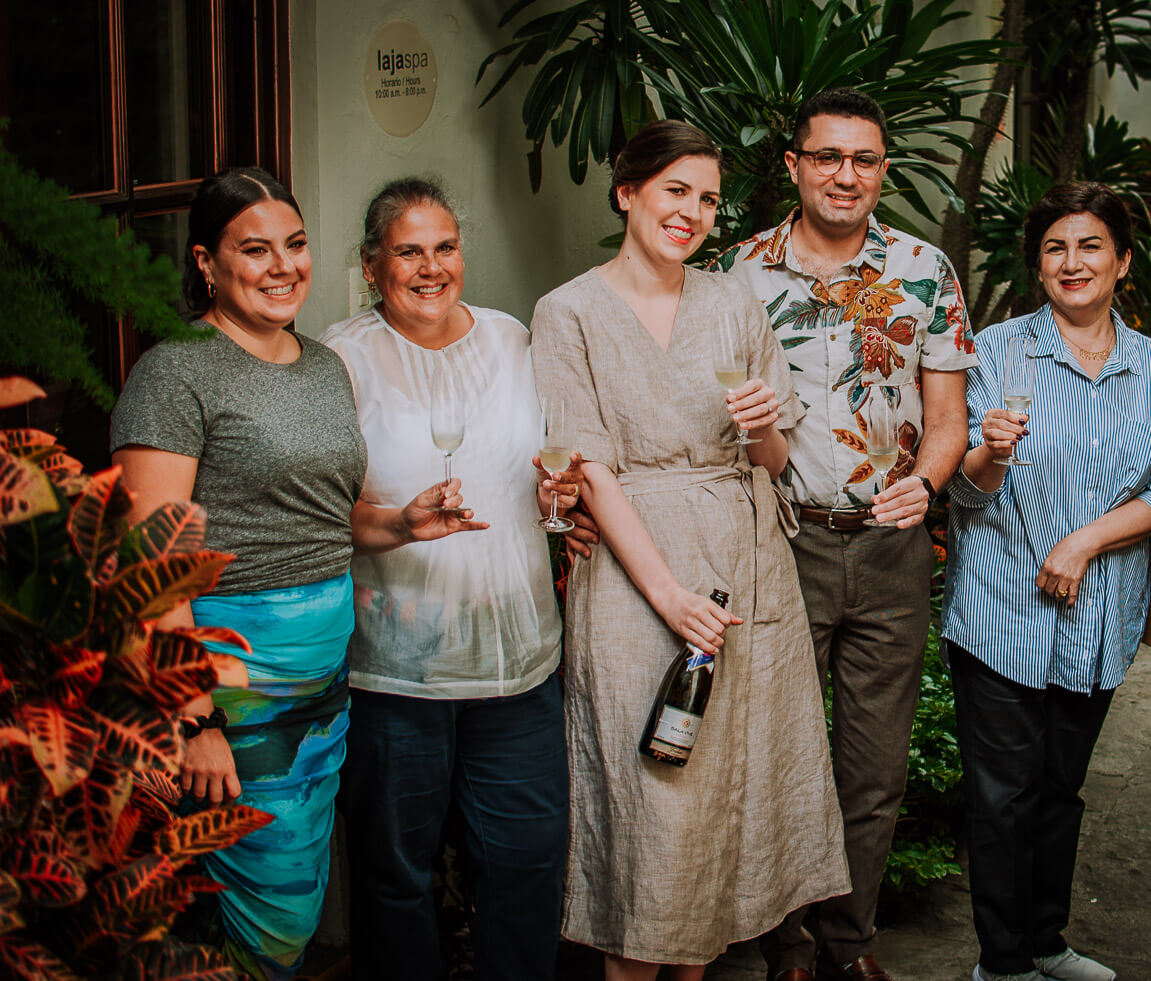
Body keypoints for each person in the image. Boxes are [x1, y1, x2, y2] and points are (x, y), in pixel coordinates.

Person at [110, 167, 475, 980]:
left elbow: (319, 520)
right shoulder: (176, 373)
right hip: (228, 699)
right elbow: (151, 563)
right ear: (207, 263)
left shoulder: (318, 364)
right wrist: (196, 720)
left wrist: (400, 523)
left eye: (296, 245)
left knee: (293, 907)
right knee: (253, 916)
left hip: (321, 695)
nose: (282, 266)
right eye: (254, 250)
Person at [530, 120, 849, 981]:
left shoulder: (732, 300)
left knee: (713, 812)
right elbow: (589, 468)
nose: (693, 212)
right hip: (639, 579)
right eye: (675, 190)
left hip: (743, 567)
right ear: (627, 190)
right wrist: (669, 597)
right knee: (651, 807)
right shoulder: (567, 312)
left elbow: (778, 456)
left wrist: (758, 436)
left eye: (707, 198)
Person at [712, 87, 975, 981]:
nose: (844, 175)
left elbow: (948, 418)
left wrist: (928, 485)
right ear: (792, 166)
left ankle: (849, 945)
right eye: (826, 156)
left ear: (882, 170)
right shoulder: (734, 275)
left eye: (863, 160)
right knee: (781, 758)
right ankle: (785, 948)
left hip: (891, 549)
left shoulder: (923, 269)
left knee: (874, 767)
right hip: (781, 541)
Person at [320, 177, 577, 981]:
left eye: (444, 248)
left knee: (528, 860)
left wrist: (552, 495)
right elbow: (329, 515)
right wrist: (399, 521)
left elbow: (544, 468)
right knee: (397, 876)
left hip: (518, 664)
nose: (430, 268)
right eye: (408, 251)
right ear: (372, 266)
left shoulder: (513, 341)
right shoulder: (340, 361)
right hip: (398, 671)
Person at [942, 182, 1151, 981]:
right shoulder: (996, 350)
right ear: (1036, 265)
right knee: (1002, 798)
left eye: (1089, 246)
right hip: (999, 611)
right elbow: (962, 490)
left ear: (1120, 261)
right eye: (1054, 248)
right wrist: (991, 451)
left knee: (1060, 792)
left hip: (1098, 618)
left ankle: (1046, 942)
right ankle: (1001, 962)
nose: (1071, 262)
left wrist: (1085, 540)